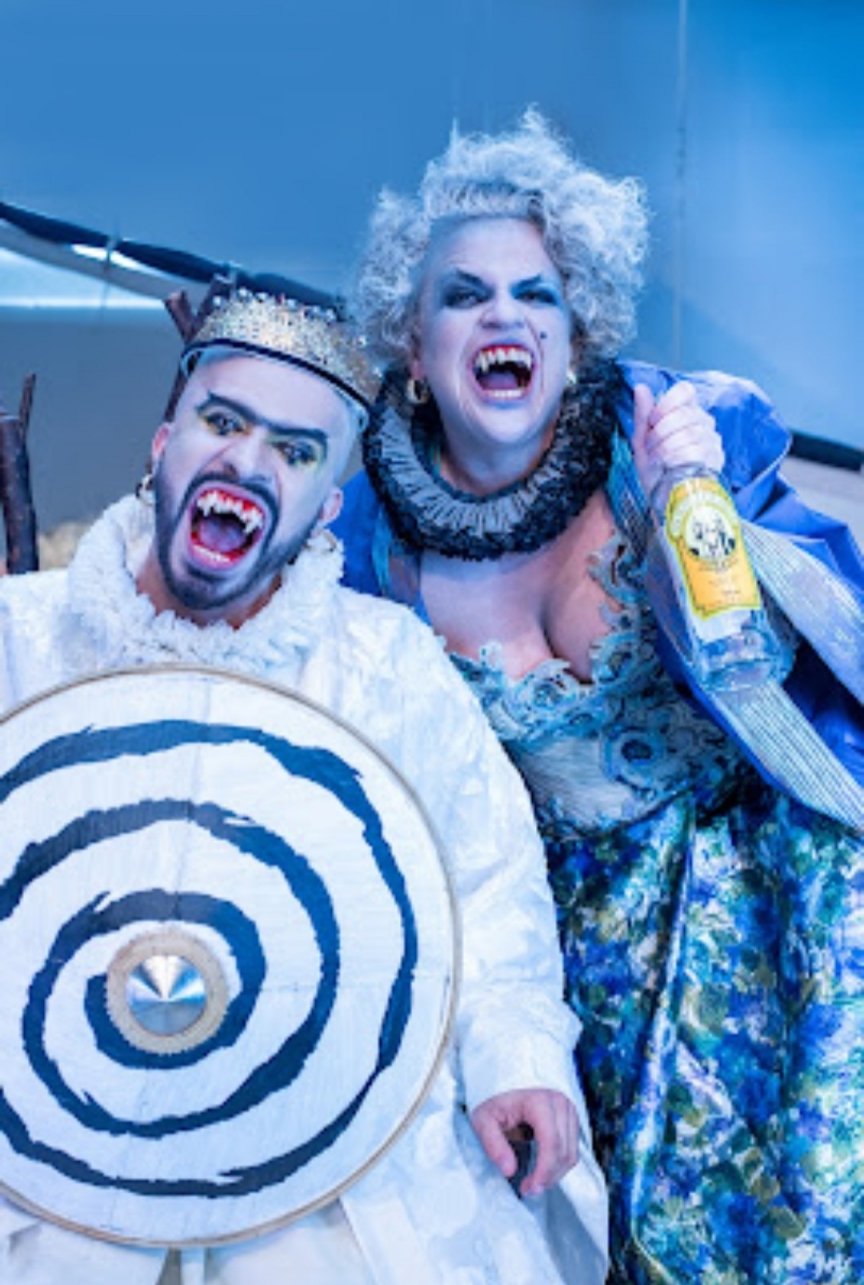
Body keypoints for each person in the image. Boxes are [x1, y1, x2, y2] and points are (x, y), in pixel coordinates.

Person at [332, 110, 864, 1284]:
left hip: (774, 890)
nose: (506, 317)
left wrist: (690, 508)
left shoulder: (660, 434)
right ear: (414, 345)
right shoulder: (366, 543)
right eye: (465, 295)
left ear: (575, 338)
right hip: (567, 952)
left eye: (538, 295)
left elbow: (765, 670)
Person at [0, 286, 608, 1285]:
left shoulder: (387, 669)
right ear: (164, 446)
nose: (247, 463)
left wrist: (517, 1057)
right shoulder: (16, 638)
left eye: (293, 450)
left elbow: (489, 885)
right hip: (40, 1141)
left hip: (324, 1142)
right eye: (223, 423)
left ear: (328, 506)